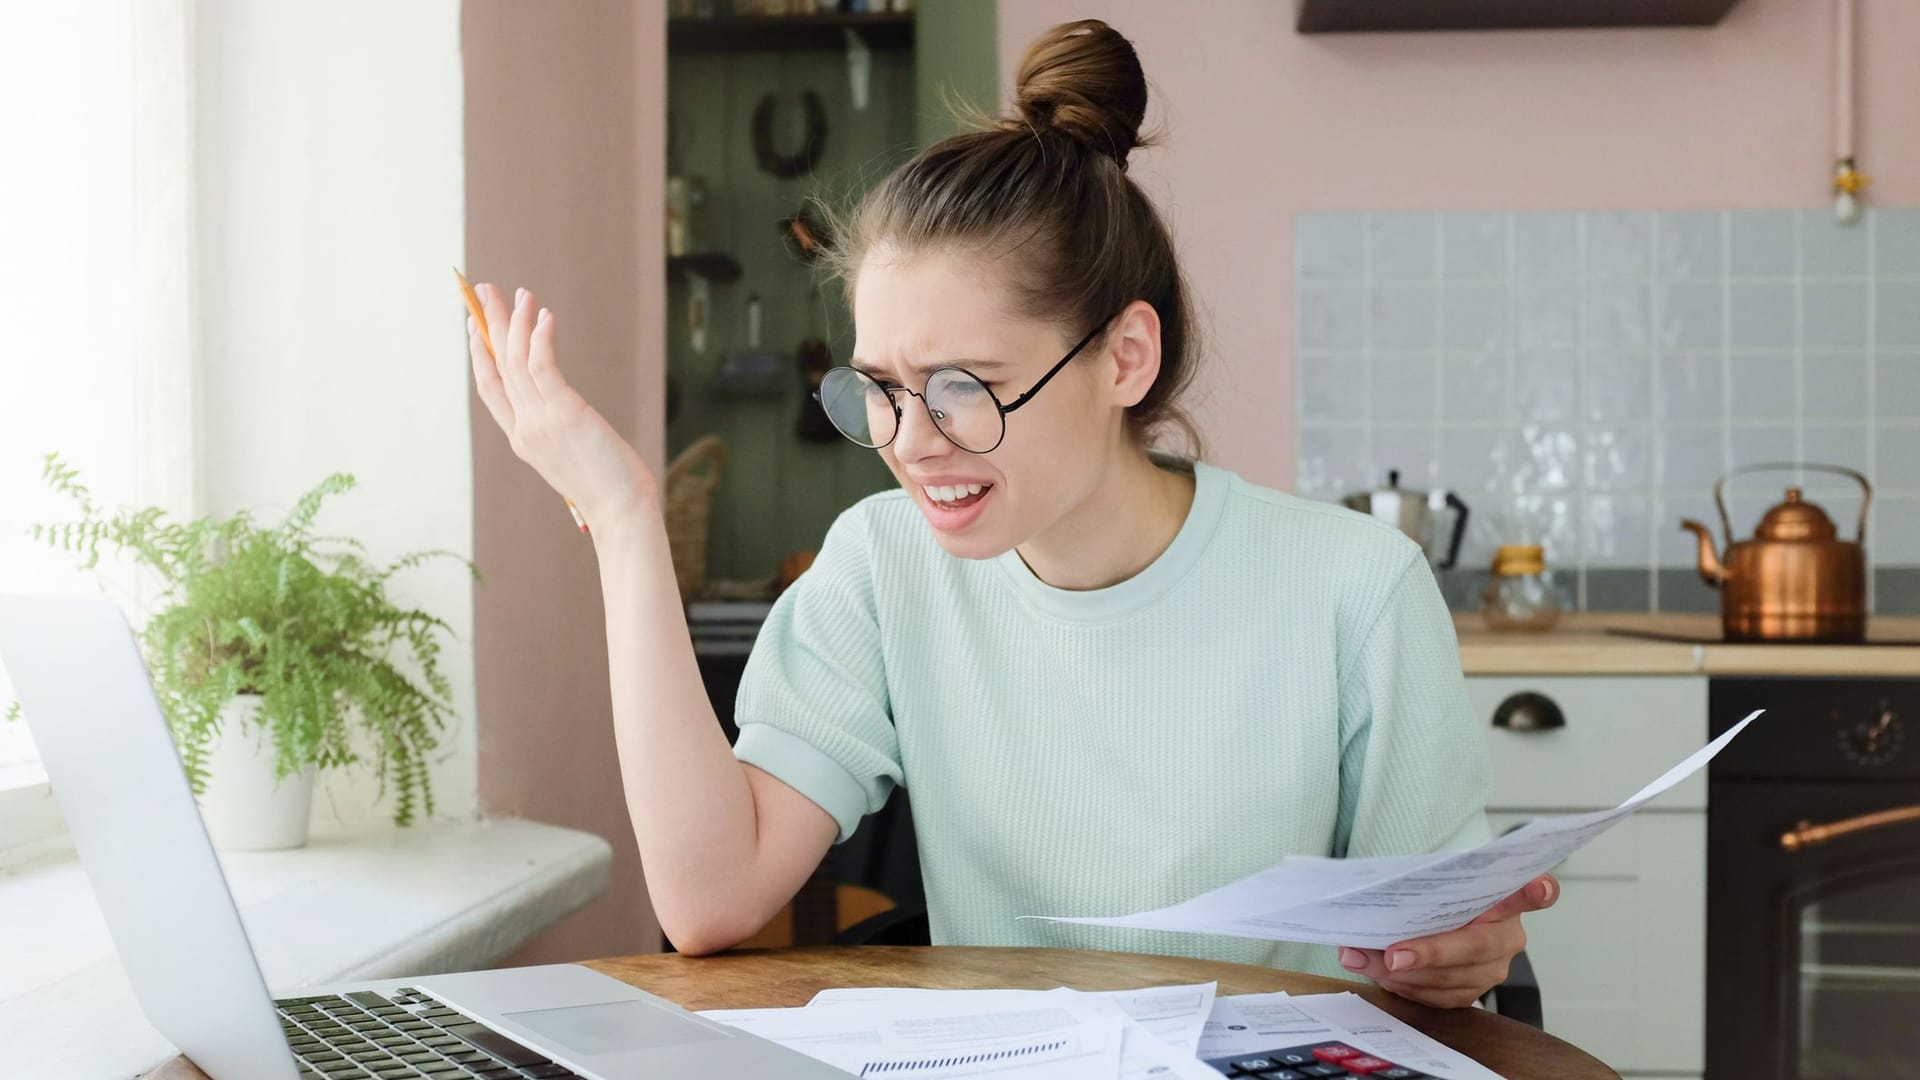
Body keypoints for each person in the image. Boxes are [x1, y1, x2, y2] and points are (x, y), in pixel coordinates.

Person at [465, 18, 1555, 1009]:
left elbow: (1436, 955)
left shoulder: (1355, 587)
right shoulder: (882, 564)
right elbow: (710, 898)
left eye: (963, 388)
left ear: (1125, 356)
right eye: (880, 389)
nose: (910, 440)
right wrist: (621, 517)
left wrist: (1458, 957)